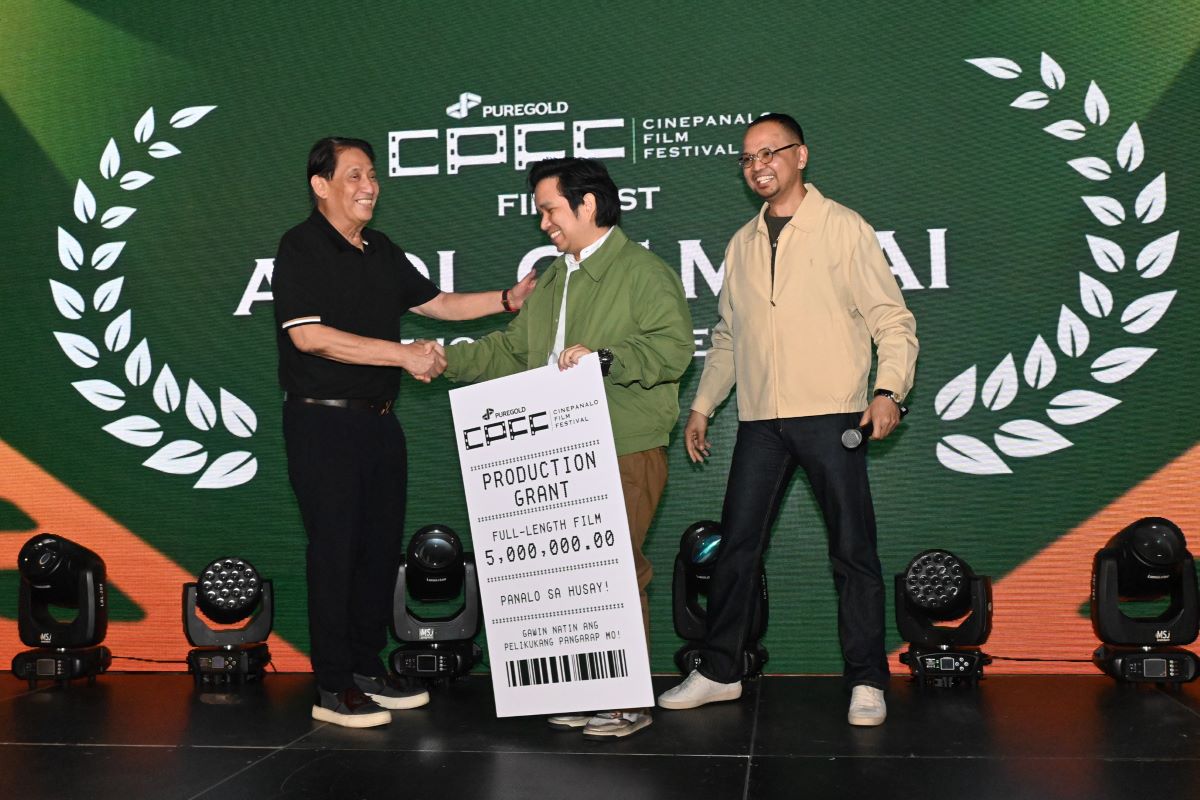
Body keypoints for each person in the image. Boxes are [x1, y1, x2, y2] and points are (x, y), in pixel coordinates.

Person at [656, 113, 918, 727]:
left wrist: (889, 391)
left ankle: (867, 680)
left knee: (853, 551)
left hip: (833, 413)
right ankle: (720, 671)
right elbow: (728, 337)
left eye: (770, 152)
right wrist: (702, 405)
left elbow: (892, 320)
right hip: (761, 421)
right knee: (736, 548)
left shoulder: (843, 227)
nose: (759, 166)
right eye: (748, 158)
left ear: (801, 156)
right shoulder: (741, 244)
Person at [273, 136, 536, 728]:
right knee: (335, 552)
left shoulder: (381, 249)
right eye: (355, 175)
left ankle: (366, 668)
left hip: (380, 424)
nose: (370, 186)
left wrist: (506, 299)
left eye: (372, 175)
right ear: (320, 185)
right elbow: (308, 337)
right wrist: (402, 354)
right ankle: (333, 686)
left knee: (376, 551)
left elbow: (437, 303)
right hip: (322, 423)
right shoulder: (300, 246)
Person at [443, 157, 693, 739]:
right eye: (541, 212)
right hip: (553, 444)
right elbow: (511, 352)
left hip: (625, 444)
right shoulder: (553, 277)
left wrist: (608, 359)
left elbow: (673, 349)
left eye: (551, 209)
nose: (544, 223)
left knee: (616, 568)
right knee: (569, 576)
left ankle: (625, 701)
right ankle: (584, 689)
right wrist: (442, 359)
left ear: (588, 205)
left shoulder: (643, 272)